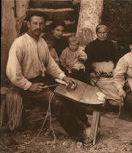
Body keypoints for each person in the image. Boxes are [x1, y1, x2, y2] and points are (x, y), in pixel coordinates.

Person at [6, 11, 90, 141]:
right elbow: (12, 73)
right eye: (35, 23)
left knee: (70, 93)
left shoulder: (42, 42)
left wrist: (63, 77)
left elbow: (50, 64)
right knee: (55, 101)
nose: (38, 27)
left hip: (42, 80)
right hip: (25, 84)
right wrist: (29, 86)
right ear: (27, 24)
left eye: (41, 24)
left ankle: (87, 125)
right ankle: (79, 134)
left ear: (44, 25)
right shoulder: (19, 43)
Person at [85, 24, 122, 106]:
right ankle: (110, 100)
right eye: (100, 32)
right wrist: (92, 70)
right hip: (97, 72)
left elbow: (117, 59)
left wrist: (115, 69)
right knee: (104, 84)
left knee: (116, 83)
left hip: (111, 71)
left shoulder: (112, 45)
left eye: (104, 32)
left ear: (107, 33)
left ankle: (114, 101)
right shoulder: (91, 46)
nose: (102, 35)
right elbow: (87, 61)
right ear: (96, 33)